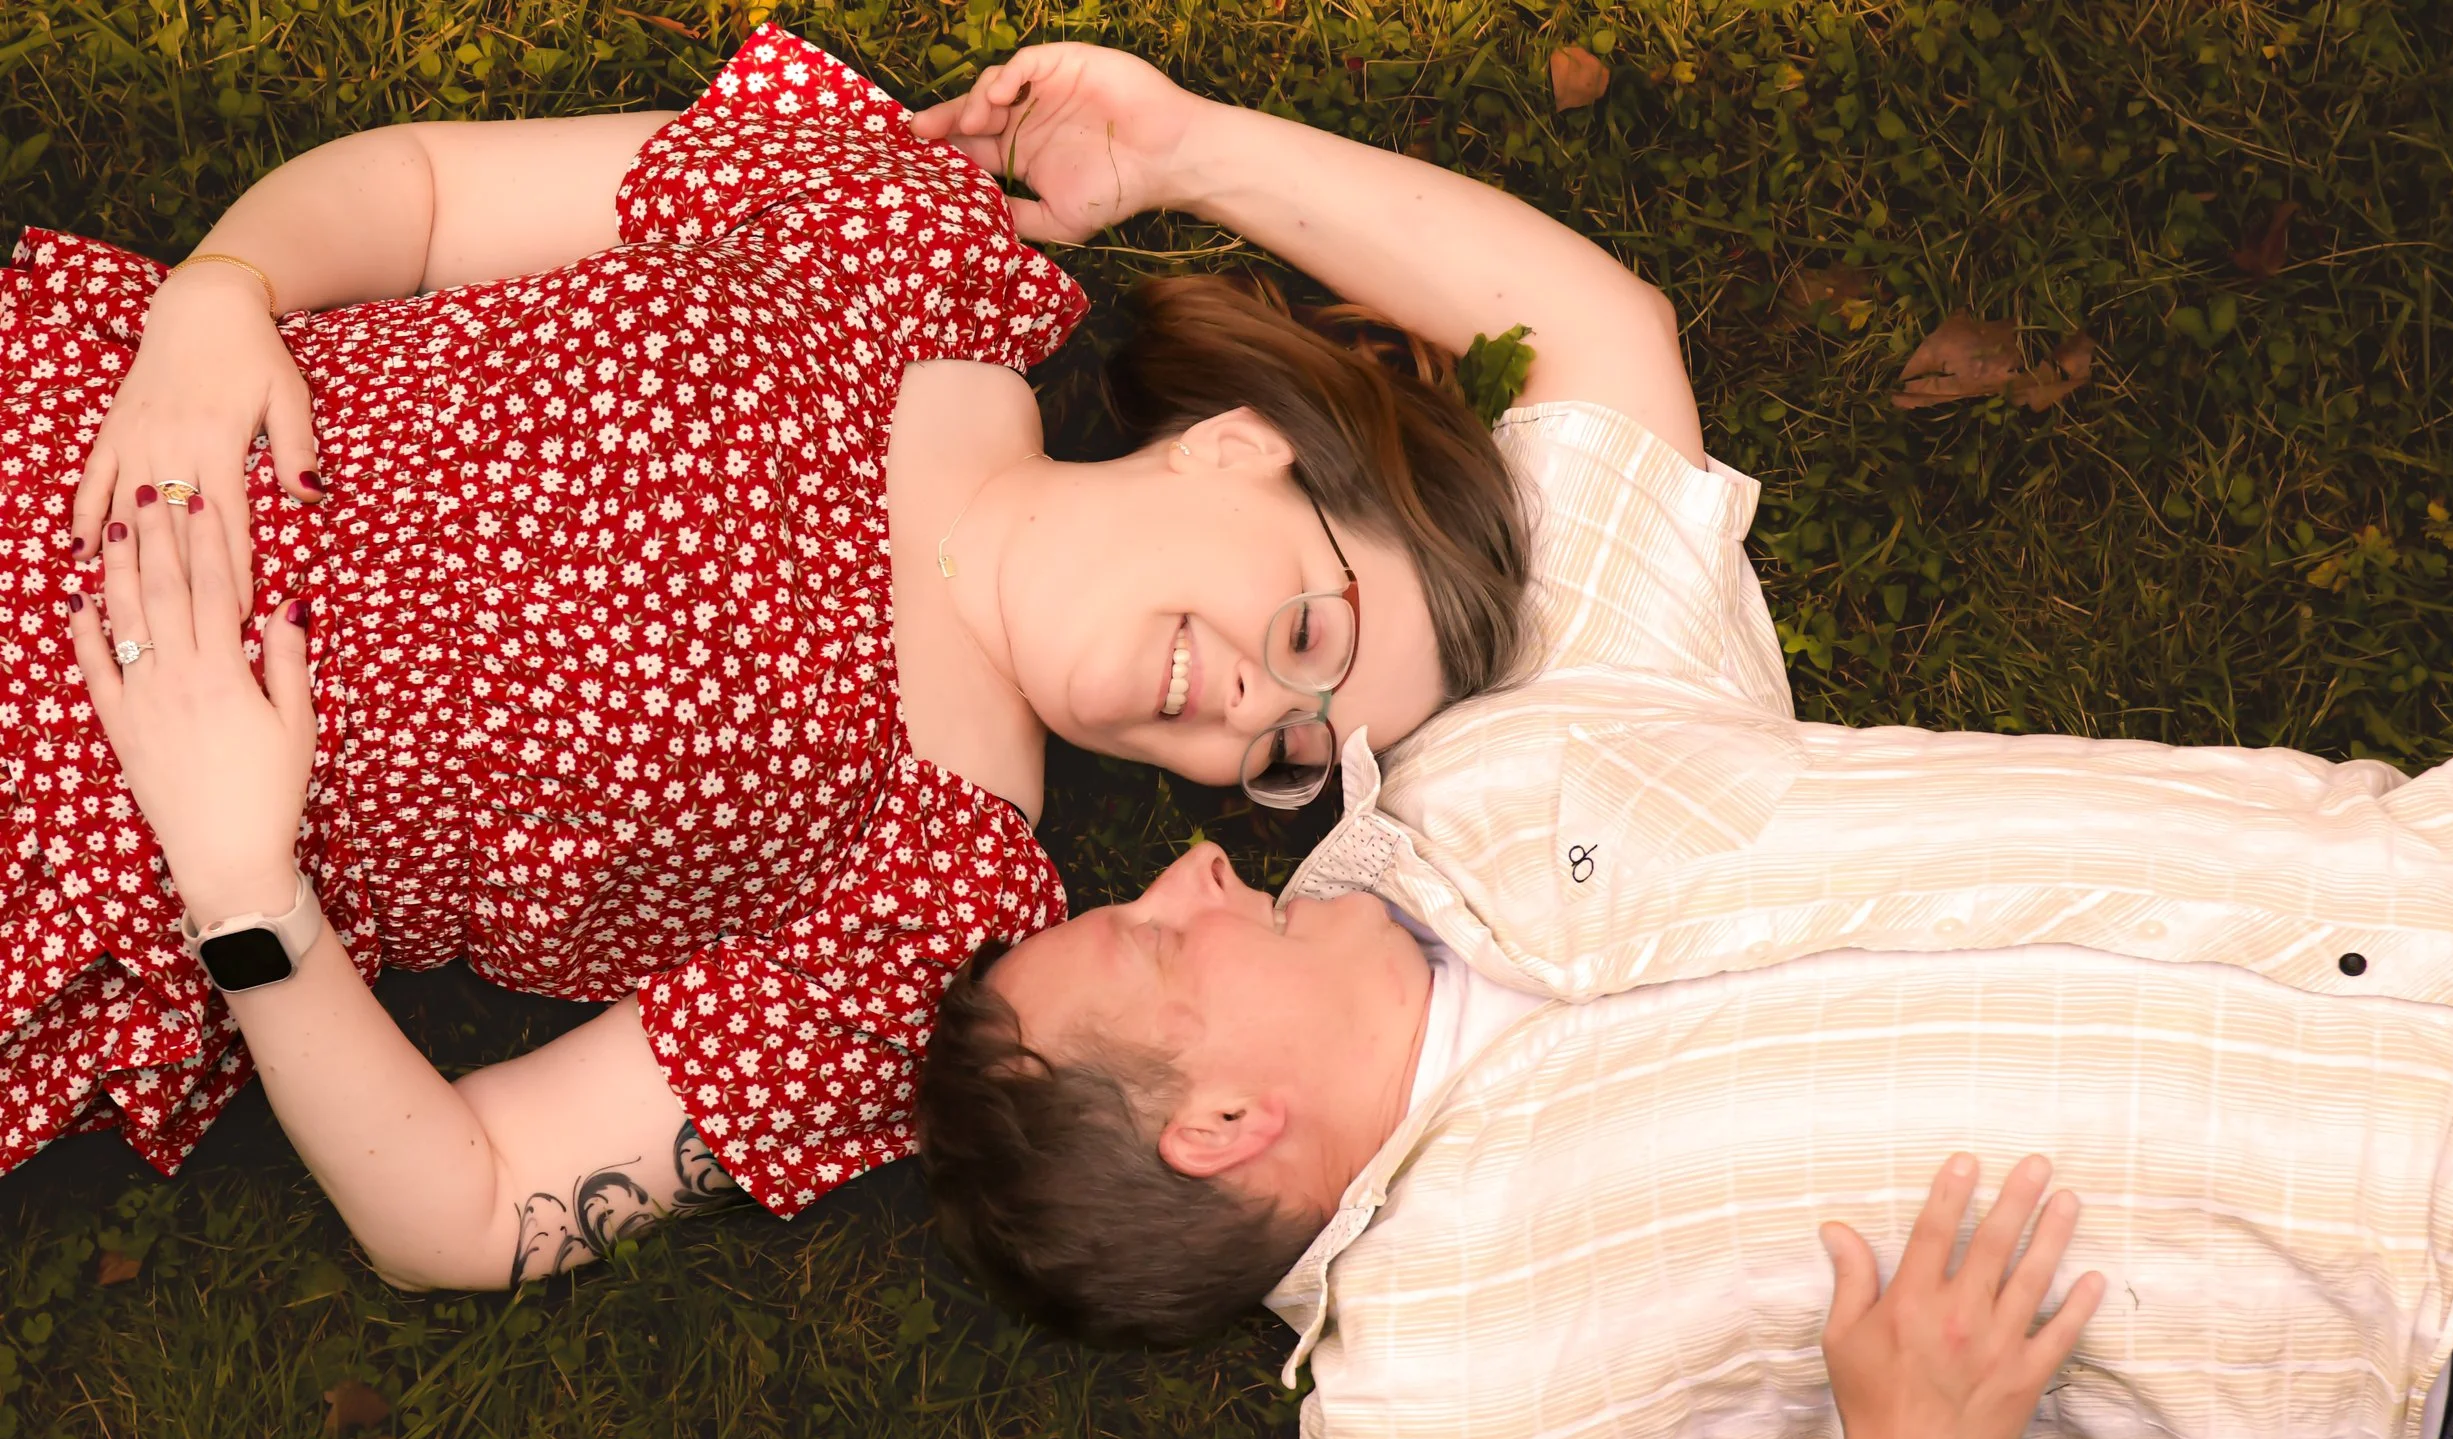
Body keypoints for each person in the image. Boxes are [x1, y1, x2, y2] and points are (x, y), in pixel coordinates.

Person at [914, 231, 2453, 1439]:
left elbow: (1592, 346)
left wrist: (1173, 142)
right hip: (2431, 1345)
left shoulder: (1493, 760)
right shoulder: (1440, 1418)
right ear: (1217, 1128)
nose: (1190, 867)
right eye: (1151, 936)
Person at [0, 14, 1762, 1291]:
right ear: (1238, 445)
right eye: (1311, 625)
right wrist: (220, 294)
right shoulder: (896, 247)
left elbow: (466, 1214)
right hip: (68, 422)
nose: (1251, 715)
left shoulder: (932, 911)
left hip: (63, 844)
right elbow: (430, 193)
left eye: (1296, 753)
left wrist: (244, 891)